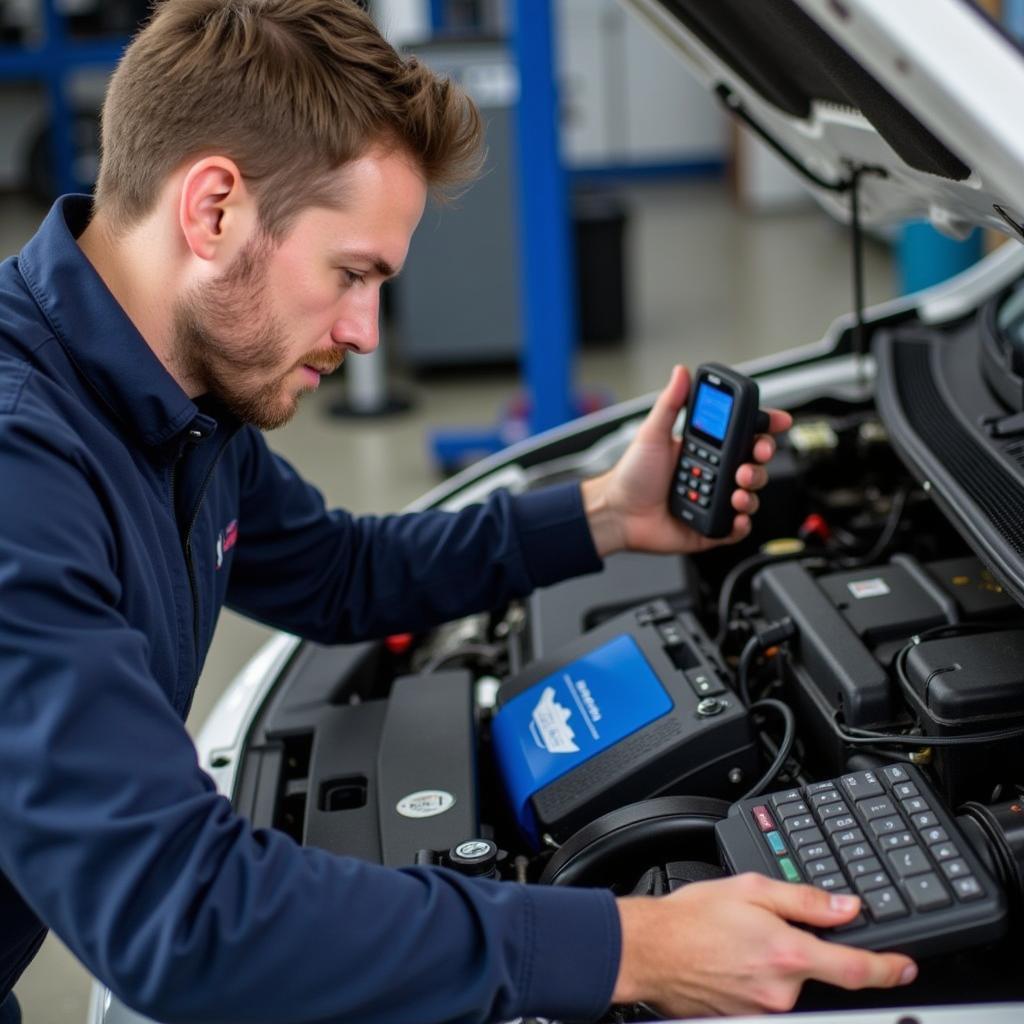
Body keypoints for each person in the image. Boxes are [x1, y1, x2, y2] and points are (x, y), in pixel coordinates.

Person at [0, 2, 918, 1022]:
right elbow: (181, 911)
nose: (360, 328)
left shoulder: (174, 398)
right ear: (212, 208)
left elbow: (337, 572)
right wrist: (630, 945)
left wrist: (608, 513)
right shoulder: (21, 465)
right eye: (350, 273)